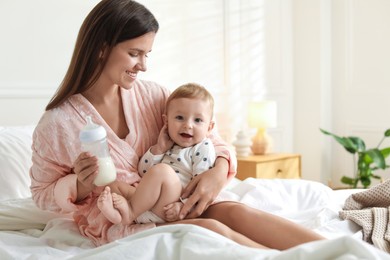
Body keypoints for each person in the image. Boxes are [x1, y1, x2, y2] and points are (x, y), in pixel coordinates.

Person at [30, 0, 324, 250]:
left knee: (237, 212)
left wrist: (218, 172)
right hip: (127, 217)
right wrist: (80, 185)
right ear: (101, 49)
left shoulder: (154, 96)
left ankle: (337, 251)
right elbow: (42, 194)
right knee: (210, 230)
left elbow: (211, 137)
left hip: (179, 200)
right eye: (134, 54)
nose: (143, 66)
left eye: (147, 55)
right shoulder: (58, 123)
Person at [97, 83, 218, 225]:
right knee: (114, 186)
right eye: (180, 117)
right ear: (166, 121)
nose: (188, 125)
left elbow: (201, 186)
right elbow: (144, 172)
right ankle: (120, 215)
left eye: (197, 120)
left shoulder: (203, 147)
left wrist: (182, 205)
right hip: (149, 201)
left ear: (209, 127)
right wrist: (159, 149)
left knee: (163, 171)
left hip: (172, 205)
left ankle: (129, 213)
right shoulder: (168, 144)